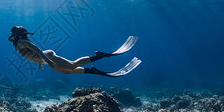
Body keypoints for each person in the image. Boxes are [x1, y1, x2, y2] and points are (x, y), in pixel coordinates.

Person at [8, 26, 141, 77]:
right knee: (68, 71)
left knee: (72, 65)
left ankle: (99, 56)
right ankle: (93, 71)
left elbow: (36, 49)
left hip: (48, 57)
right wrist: (41, 63)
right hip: (45, 60)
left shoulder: (21, 42)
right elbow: (34, 53)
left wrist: (47, 60)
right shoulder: (21, 43)